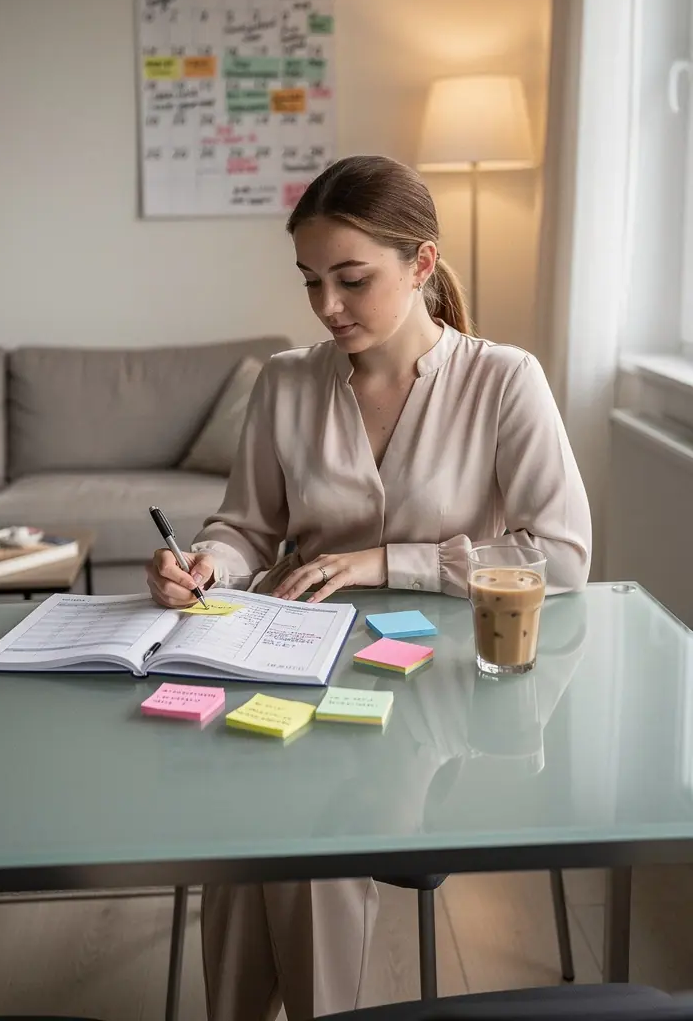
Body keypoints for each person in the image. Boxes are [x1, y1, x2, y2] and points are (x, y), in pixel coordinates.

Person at [145, 154, 592, 1021]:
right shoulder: (283, 381)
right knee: (242, 825)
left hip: (441, 682)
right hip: (289, 654)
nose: (326, 307)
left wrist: (389, 561)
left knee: (312, 832)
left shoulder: (504, 381)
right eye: (311, 281)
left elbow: (562, 556)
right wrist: (207, 563)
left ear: (421, 265)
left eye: (351, 280)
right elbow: (245, 527)